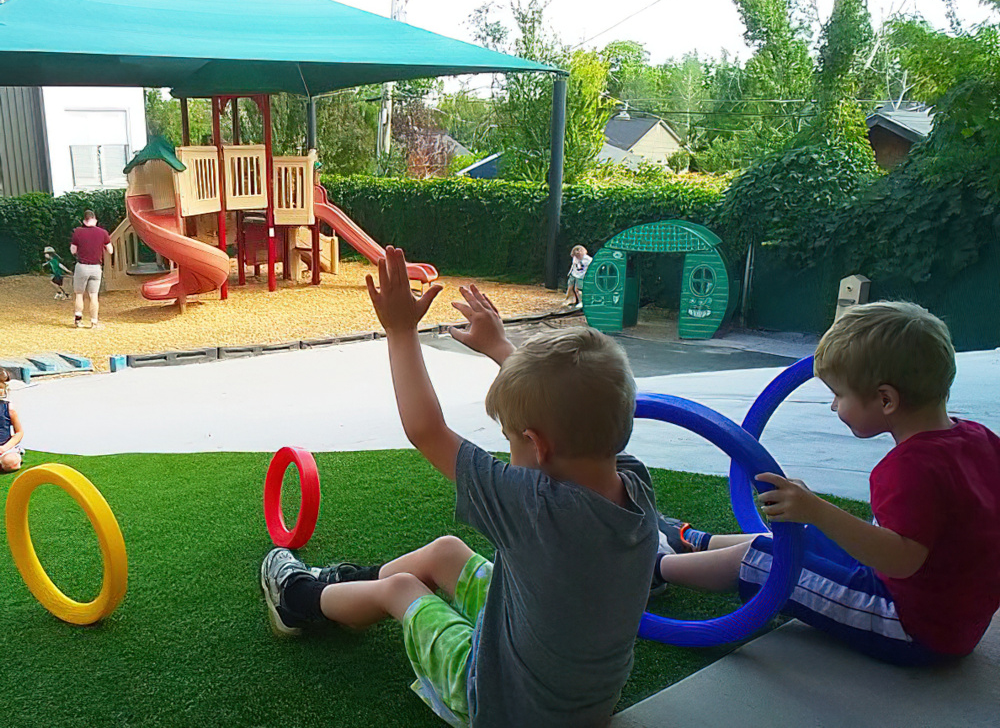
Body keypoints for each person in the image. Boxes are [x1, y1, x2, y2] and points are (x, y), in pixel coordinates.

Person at [260, 250, 658, 727]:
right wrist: (504, 352)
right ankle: (345, 580)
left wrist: (401, 331)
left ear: (536, 445)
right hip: (581, 700)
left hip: (500, 702)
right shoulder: (632, 483)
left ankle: (298, 600)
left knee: (402, 588)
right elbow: (572, 412)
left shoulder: (534, 509)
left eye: (510, 438)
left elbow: (426, 430)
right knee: (448, 552)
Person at [652, 301, 1000, 666]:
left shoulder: (911, 468)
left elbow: (901, 560)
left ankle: (653, 570)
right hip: (949, 618)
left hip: (911, 626)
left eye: (839, 394)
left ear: (885, 399)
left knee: (766, 559)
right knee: (797, 538)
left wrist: (816, 509)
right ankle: (692, 540)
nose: (834, 406)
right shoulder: (979, 439)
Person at [69, 209, 112, 328]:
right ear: (95, 220)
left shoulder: (77, 232)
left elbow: (73, 250)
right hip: (96, 267)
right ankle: (94, 322)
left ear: (84, 221)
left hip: (82, 266)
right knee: (94, 295)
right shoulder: (103, 233)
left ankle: (78, 321)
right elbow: (110, 250)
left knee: (79, 294)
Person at [0, 369, 25, 473]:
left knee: (10, 461)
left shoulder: (8, 408)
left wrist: (4, 448)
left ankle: (11, 459)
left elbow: (19, 433)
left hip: (5, 448)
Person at [563, 244, 592, 309]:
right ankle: (571, 300)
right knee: (570, 287)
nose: (577, 256)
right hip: (574, 274)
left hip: (581, 276)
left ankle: (582, 302)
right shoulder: (575, 258)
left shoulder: (588, 259)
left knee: (578, 289)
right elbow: (574, 266)